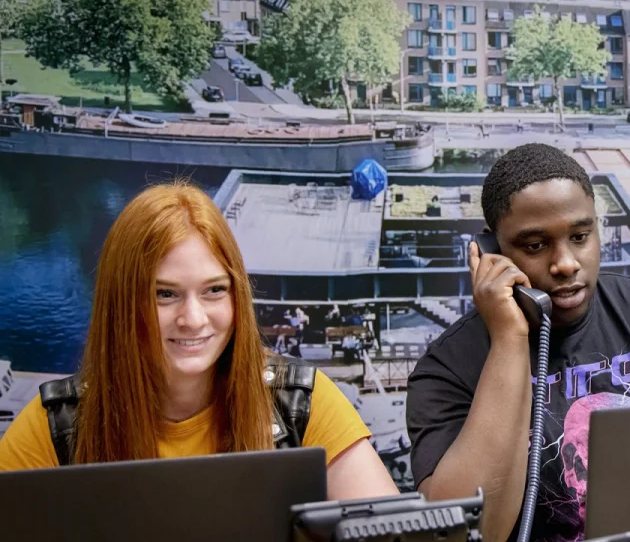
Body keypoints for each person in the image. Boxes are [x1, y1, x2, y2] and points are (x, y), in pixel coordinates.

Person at [406, 143, 630, 542]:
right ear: (492, 251)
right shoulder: (446, 370)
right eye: (534, 246)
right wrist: (509, 338)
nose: (565, 263)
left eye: (580, 237)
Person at [0, 182, 398, 502]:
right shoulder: (55, 427)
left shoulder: (301, 405)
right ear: (120, 304)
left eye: (213, 290)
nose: (193, 319)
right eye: (164, 294)